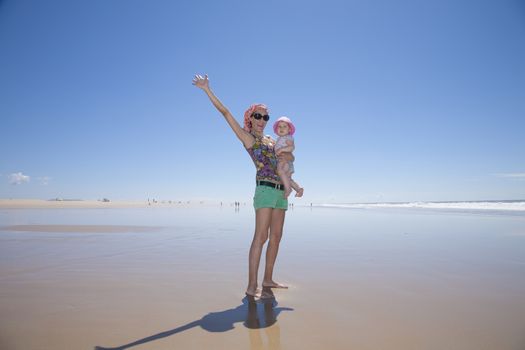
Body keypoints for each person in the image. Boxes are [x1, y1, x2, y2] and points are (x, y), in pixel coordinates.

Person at [193, 74, 290, 298]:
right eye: (258, 115)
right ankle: (251, 285)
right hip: (265, 189)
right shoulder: (249, 138)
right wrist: (207, 89)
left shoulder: (272, 142)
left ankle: (268, 279)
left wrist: (293, 184)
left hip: (280, 193)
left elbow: (282, 167)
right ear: (250, 117)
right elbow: (225, 113)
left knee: (276, 237)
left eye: (266, 116)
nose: (262, 119)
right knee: (261, 237)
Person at [273, 116, 304, 198]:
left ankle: (288, 189)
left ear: (289, 129)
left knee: (280, 171)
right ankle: (298, 189)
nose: (281, 128)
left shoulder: (287, 137)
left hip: (285, 161)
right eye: (279, 126)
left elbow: (292, 147)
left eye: (284, 126)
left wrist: (281, 150)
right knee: (288, 179)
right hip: (286, 162)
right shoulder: (279, 139)